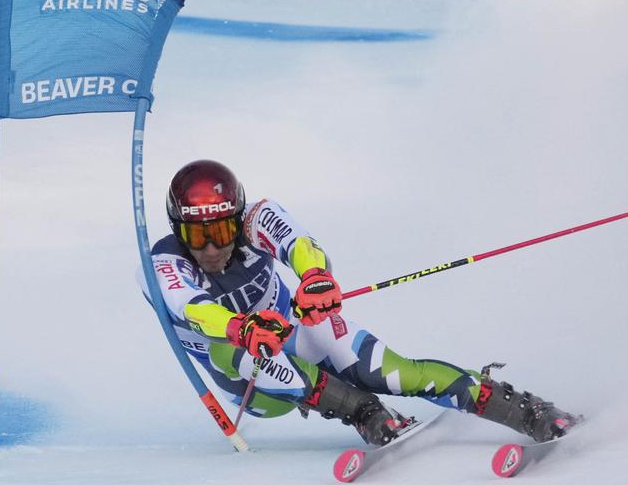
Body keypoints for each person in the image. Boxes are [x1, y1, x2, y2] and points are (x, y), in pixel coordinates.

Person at [142, 159, 578, 446]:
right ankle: (364, 412)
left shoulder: (256, 218)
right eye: (197, 236)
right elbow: (193, 307)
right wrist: (244, 327)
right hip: (253, 384)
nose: (212, 248)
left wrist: (315, 279)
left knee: (388, 371)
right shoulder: (163, 262)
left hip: (292, 333)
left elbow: (299, 244)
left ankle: (526, 410)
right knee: (232, 350)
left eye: (221, 232)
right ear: (178, 229)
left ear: (237, 220)